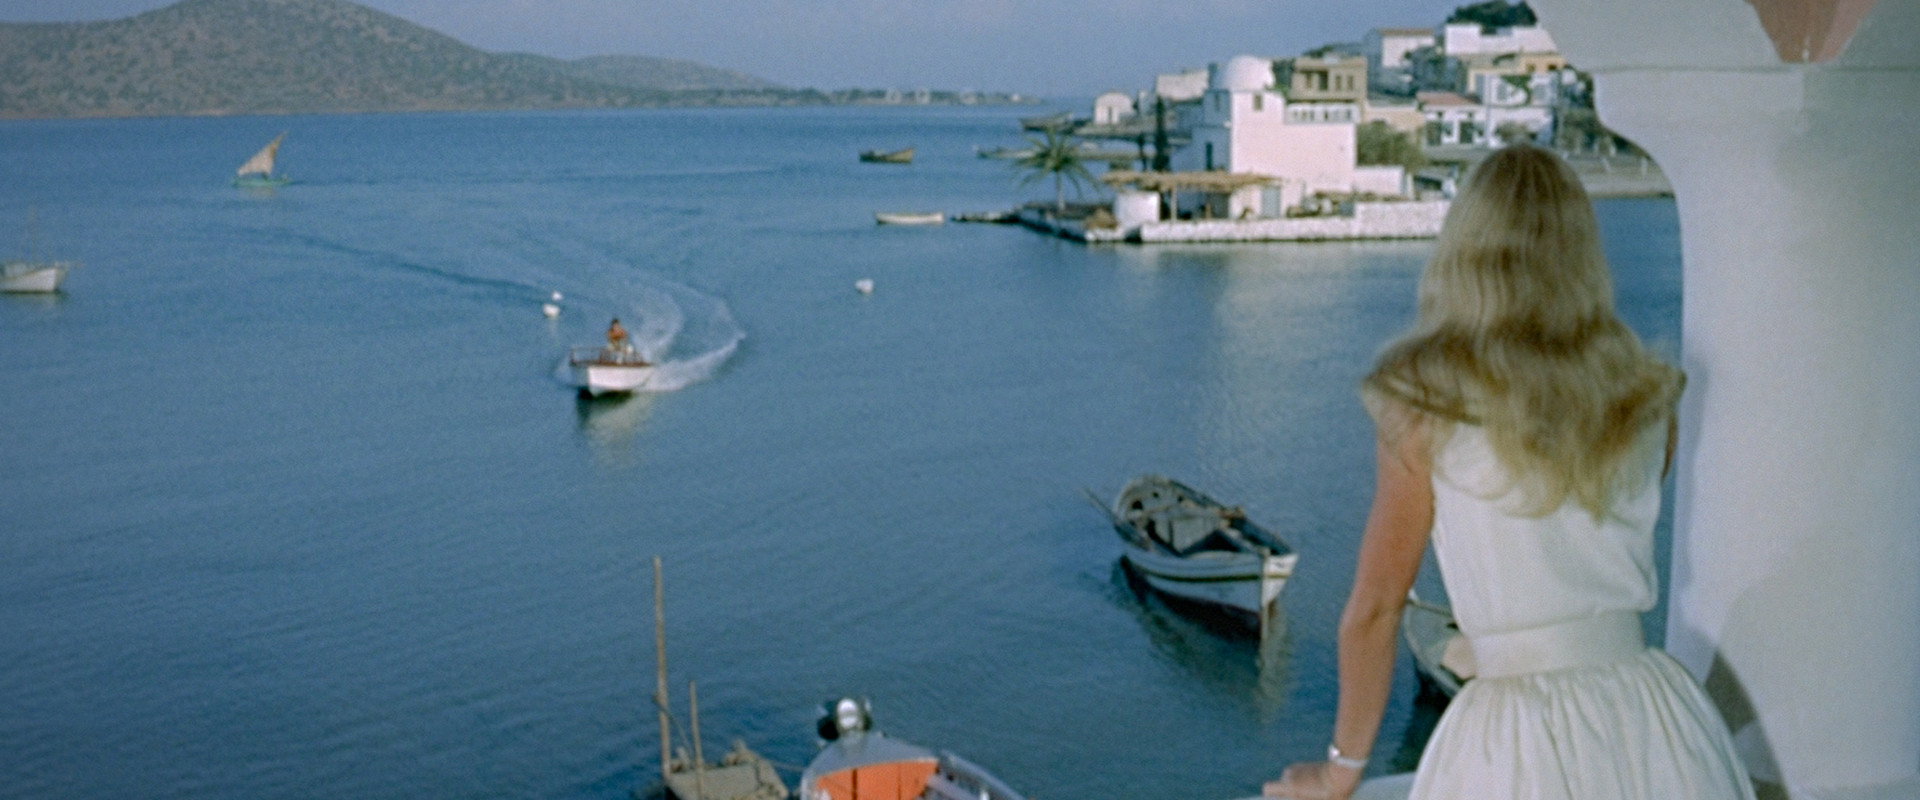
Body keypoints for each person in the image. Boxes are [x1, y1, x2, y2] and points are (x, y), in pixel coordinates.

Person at [1264, 146, 1754, 800]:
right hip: (1655, 723)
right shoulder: (1647, 399)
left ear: (1462, 248)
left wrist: (1338, 771)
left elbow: (1376, 612)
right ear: (1582, 253)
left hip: (1518, 740)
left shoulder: (1424, 406)